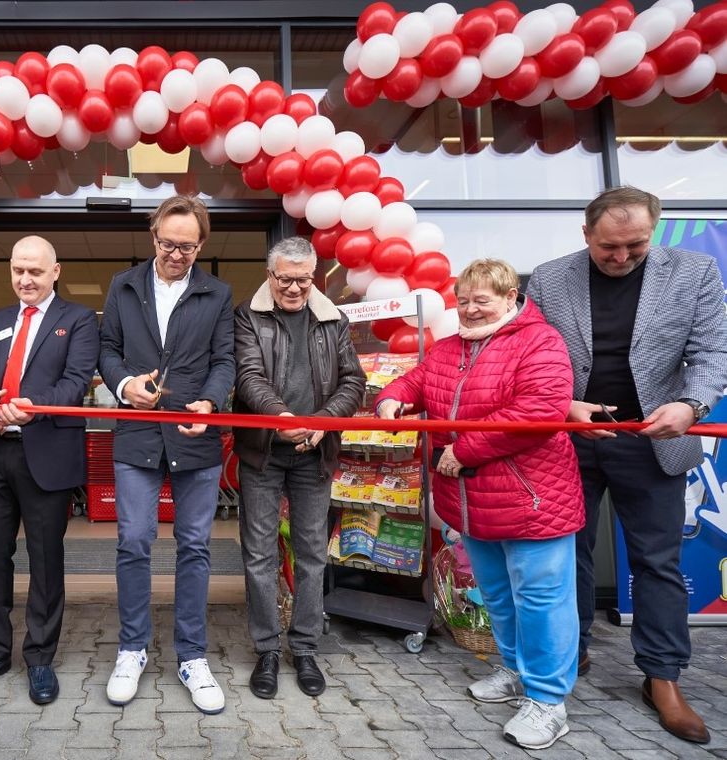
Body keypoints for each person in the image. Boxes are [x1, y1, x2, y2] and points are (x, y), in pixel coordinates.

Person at [527, 187, 727, 745]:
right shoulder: (548, 277)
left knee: (658, 561)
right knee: (567, 549)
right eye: (608, 247)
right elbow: (534, 352)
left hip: (653, 437)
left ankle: (662, 678)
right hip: (572, 437)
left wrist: (689, 406)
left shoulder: (696, 271)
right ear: (586, 235)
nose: (620, 258)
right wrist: (563, 404)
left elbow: (714, 353)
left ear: (654, 231)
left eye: (635, 245)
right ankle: (573, 652)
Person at [377, 259, 584, 751]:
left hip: (532, 498)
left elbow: (539, 410)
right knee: (499, 596)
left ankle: (549, 702)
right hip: (472, 503)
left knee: (542, 600)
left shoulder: (540, 341)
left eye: (481, 300)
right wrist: (392, 396)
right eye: (463, 300)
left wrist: (463, 449)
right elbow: (419, 381)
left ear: (511, 297)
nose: (469, 310)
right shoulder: (451, 347)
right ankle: (514, 673)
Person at [98, 194, 235, 714]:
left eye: (188, 246)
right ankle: (131, 649)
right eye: (168, 243)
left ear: (201, 245)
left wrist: (213, 400)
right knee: (133, 540)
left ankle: (192, 657)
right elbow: (107, 347)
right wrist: (124, 382)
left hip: (194, 435)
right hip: (136, 433)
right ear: (153, 236)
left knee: (195, 545)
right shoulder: (123, 284)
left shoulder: (217, 294)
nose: (177, 254)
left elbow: (224, 358)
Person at [0, 235, 98, 705]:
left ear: (55, 271)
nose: (25, 280)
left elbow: (76, 383)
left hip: (46, 454)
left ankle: (39, 657)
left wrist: (31, 408)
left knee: (45, 561)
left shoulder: (77, 320)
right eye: (19, 270)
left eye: (35, 271)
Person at [232, 237, 365, 699]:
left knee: (312, 553)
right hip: (264, 452)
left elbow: (354, 380)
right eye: (285, 278)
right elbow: (247, 376)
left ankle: (305, 647)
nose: (294, 288)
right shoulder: (247, 317)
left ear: (315, 276)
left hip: (316, 450)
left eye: (303, 279)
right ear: (270, 275)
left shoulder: (334, 319)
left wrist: (320, 425)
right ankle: (267, 648)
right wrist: (282, 418)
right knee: (259, 554)